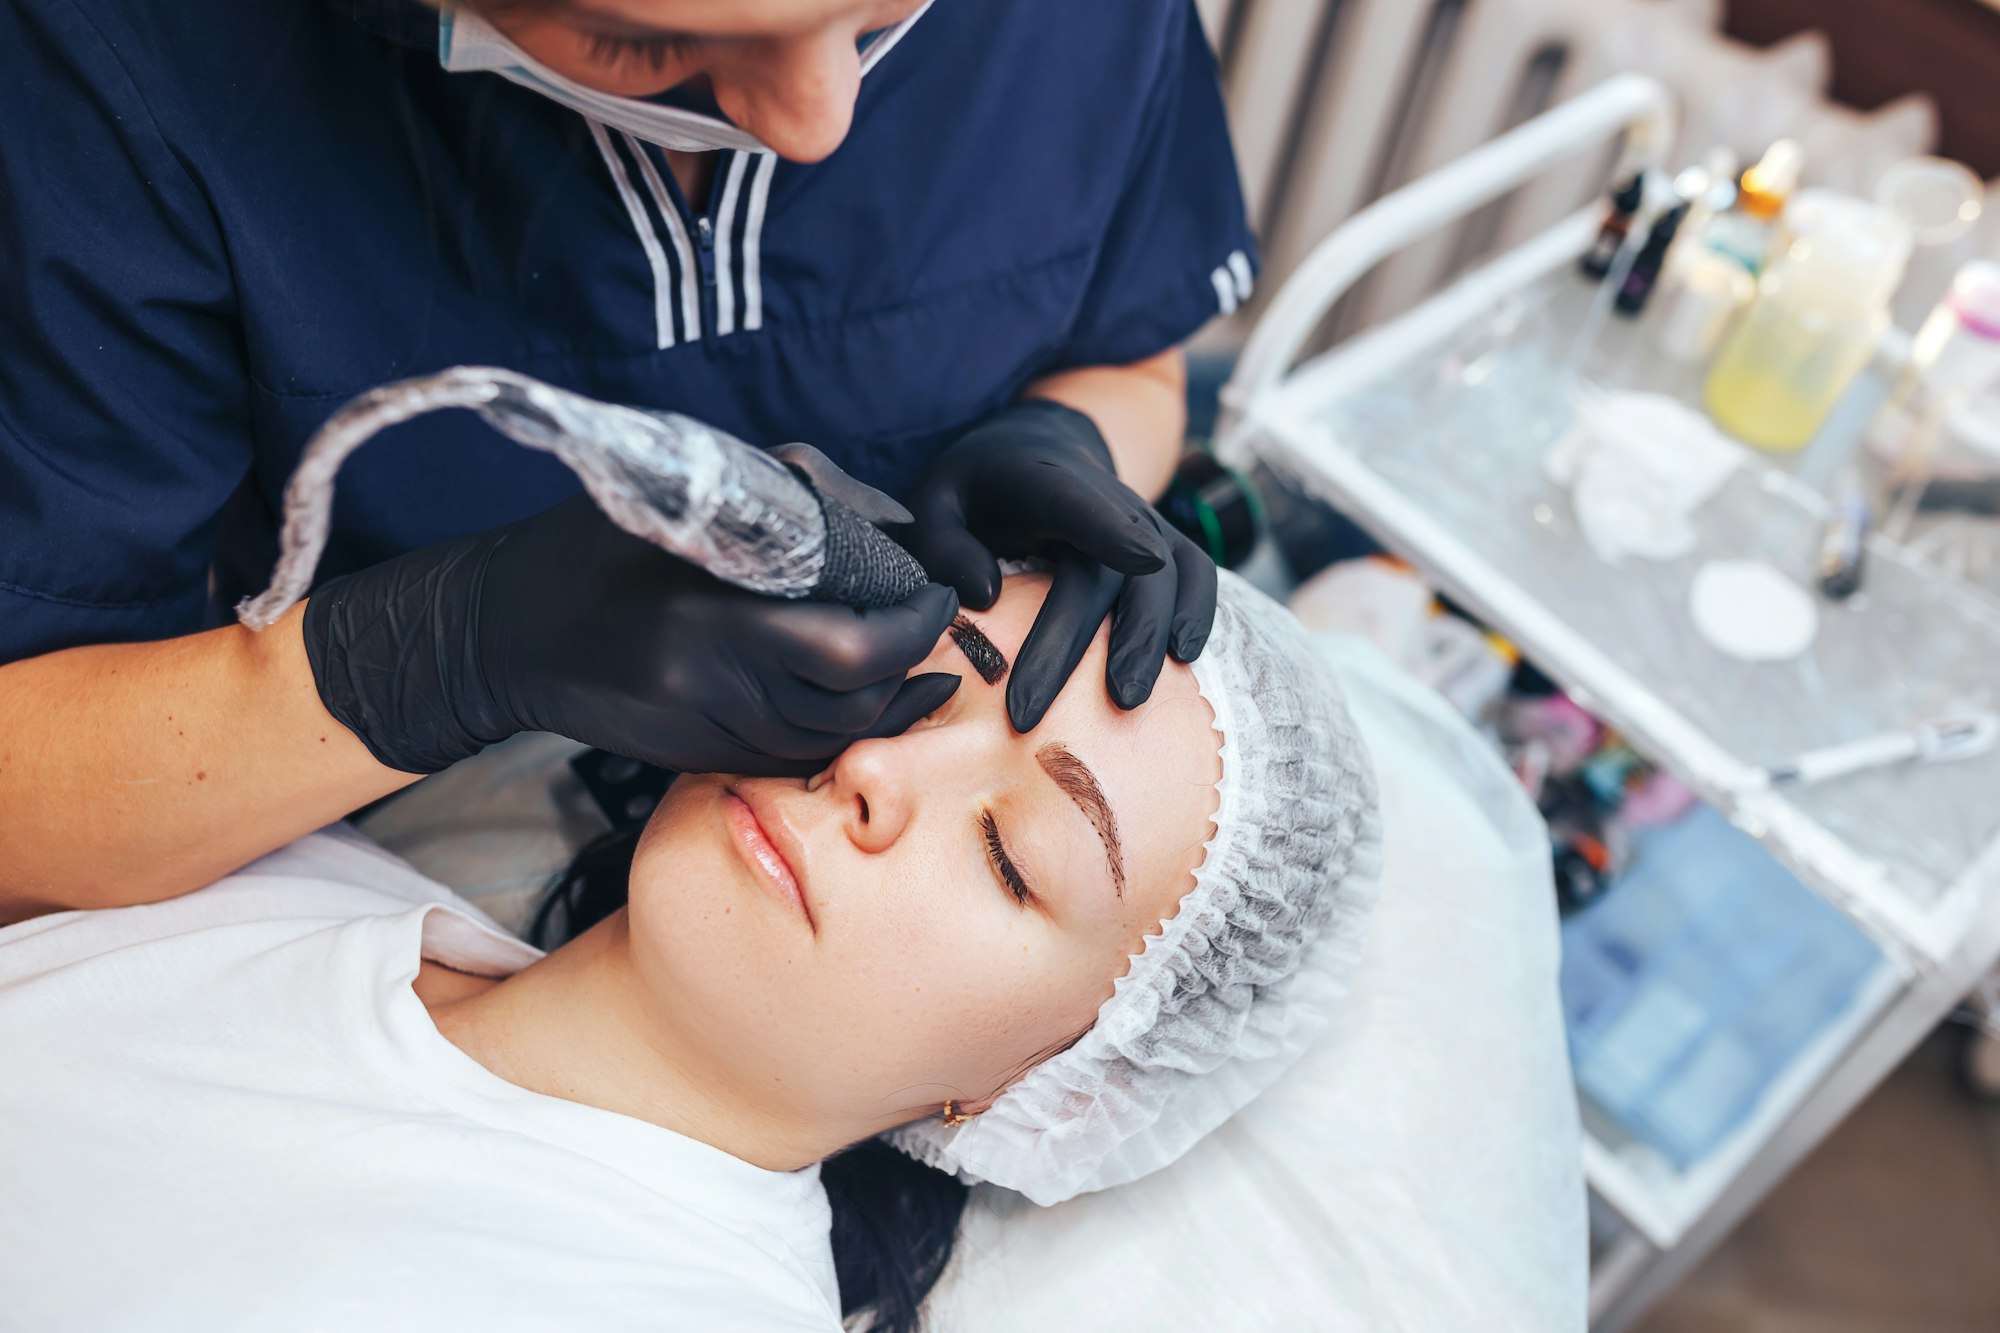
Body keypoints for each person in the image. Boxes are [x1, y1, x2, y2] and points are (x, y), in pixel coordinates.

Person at [0, 0, 1253, 910]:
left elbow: (1131, 352)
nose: (816, 122)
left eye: (879, 8)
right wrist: (436, 653)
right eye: (641, 42)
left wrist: (1071, 434)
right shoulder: (126, 61)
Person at [0, 571, 1382, 1332]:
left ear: (1049, 1088)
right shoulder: (276, 867)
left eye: (1013, 853)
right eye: (931, 680)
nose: (879, 771)